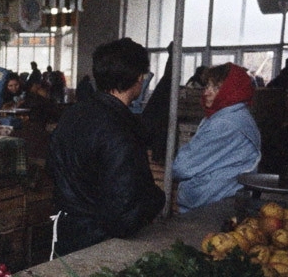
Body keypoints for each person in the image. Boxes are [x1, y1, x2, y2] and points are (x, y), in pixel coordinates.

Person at [47, 38, 165, 257]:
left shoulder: (73, 114)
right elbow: (123, 217)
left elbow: (52, 168)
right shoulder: (120, 130)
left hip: (65, 233)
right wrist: (157, 200)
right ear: (139, 77)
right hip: (100, 246)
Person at [172, 63, 261, 213]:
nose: (207, 92)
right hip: (224, 198)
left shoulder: (224, 123)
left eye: (216, 88)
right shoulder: (236, 116)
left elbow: (182, 167)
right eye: (207, 86)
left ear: (232, 90)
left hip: (211, 205)